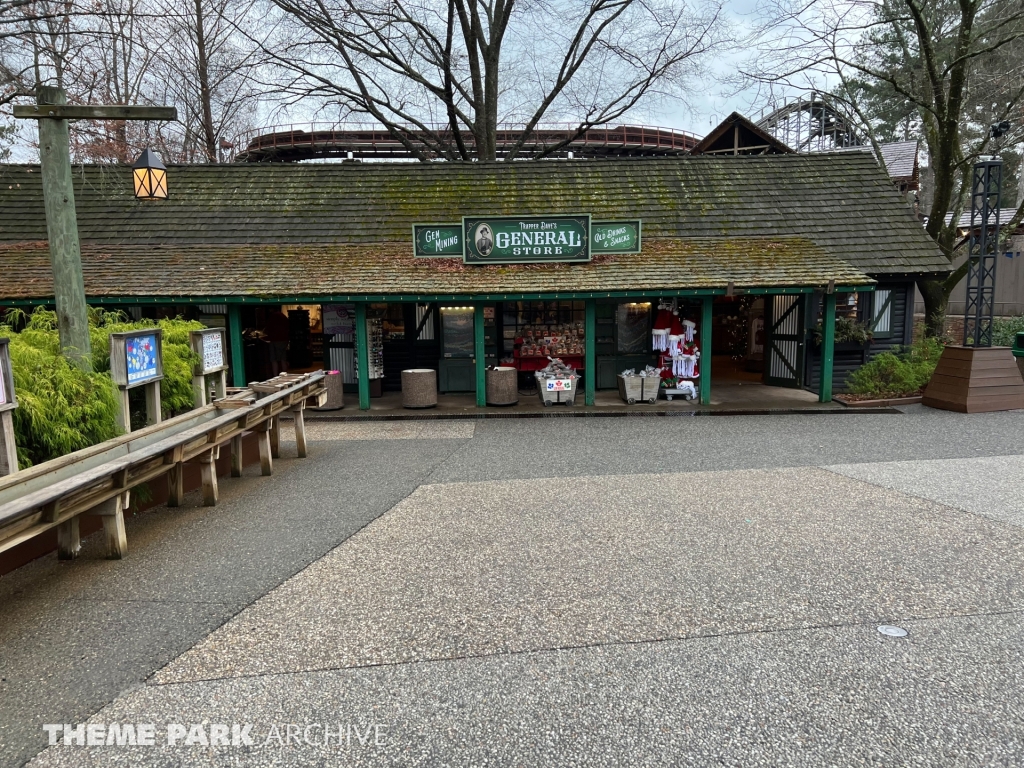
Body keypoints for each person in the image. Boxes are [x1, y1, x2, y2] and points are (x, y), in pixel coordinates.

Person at [265, 309, 290, 376]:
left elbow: (268, 329)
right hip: (284, 340)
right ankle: (284, 375)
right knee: (283, 359)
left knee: (274, 360)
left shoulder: (272, 317)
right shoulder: (283, 316)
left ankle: (275, 376)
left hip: (274, 340)